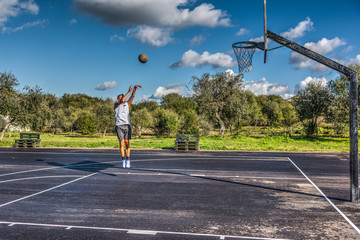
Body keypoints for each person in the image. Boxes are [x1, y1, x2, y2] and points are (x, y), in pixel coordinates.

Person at [114, 85, 141, 168]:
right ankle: (123, 160)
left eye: (123, 98)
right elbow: (122, 100)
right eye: (120, 98)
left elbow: (132, 97)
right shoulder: (116, 105)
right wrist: (128, 91)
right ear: (118, 99)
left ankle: (128, 160)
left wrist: (134, 89)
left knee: (127, 144)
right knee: (121, 144)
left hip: (126, 125)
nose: (122, 99)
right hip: (119, 125)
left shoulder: (127, 104)